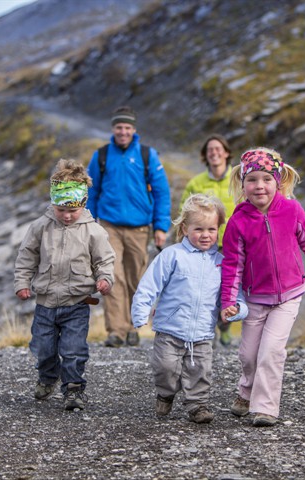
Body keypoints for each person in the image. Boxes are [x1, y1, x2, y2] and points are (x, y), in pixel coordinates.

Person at [220, 147, 305, 427]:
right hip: (254, 299)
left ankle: (264, 407)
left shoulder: (291, 209)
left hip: (288, 296)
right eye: (252, 180)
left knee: (271, 351)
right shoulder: (238, 221)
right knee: (248, 354)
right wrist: (228, 300)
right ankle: (246, 390)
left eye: (266, 179)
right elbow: (232, 265)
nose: (259, 186)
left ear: (278, 181)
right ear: (243, 184)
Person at [131, 194, 248, 424]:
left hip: (203, 331)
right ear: (185, 228)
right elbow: (149, 285)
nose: (206, 235)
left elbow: (236, 294)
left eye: (212, 229)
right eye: (199, 229)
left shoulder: (222, 263)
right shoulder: (173, 255)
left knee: (200, 371)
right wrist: (140, 312)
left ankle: (197, 405)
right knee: (165, 367)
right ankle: (165, 393)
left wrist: (237, 309)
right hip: (170, 329)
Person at [14, 158, 115, 411]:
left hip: (77, 303)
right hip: (46, 303)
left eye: (72, 210)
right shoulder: (40, 227)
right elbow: (27, 256)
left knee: (73, 350)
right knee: (43, 347)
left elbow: (105, 260)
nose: (67, 216)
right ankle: (48, 377)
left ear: (82, 203)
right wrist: (22, 282)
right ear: (53, 203)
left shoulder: (94, 231)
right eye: (61, 210)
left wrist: (105, 278)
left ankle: (73, 389)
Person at [87, 106, 171, 348]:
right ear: (113, 129)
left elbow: (162, 192)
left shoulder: (147, 155)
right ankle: (116, 331)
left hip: (139, 227)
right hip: (109, 226)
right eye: (118, 127)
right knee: (113, 276)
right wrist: (91, 222)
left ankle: (135, 327)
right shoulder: (101, 156)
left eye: (127, 128)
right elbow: (92, 191)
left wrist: (160, 226)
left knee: (137, 278)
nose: (123, 132)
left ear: (133, 129)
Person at [180, 133, 235, 346]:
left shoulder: (238, 180)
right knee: (205, 288)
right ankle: (207, 329)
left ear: (226, 153)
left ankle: (226, 326)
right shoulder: (196, 183)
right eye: (210, 150)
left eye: (218, 149)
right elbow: (184, 210)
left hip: (232, 244)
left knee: (229, 287)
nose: (214, 153)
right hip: (205, 245)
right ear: (205, 155)